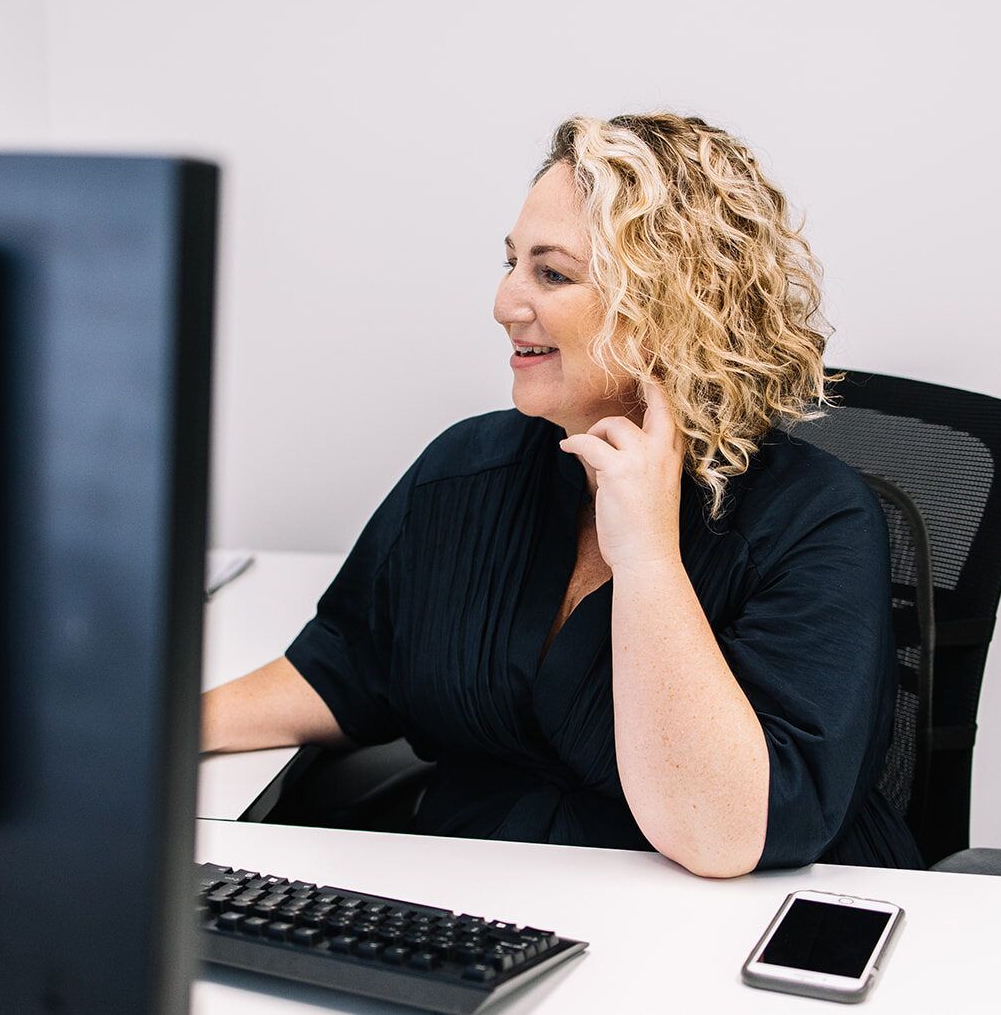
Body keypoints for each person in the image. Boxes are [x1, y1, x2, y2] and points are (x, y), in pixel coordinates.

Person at [201, 112, 925, 877]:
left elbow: (728, 831)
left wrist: (647, 555)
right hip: (486, 910)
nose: (505, 301)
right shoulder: (468, 469)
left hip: (721, 938)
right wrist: (147, 725)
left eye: (551, 273)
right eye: (511, 263)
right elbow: (347, 667)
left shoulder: (815, 521)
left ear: (670, 305)